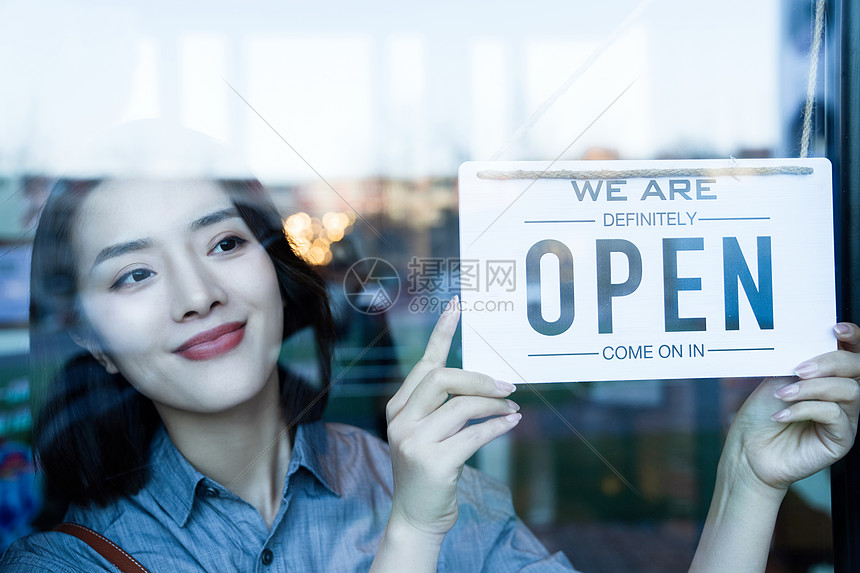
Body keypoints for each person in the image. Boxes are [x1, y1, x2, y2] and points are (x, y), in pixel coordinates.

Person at [1, 122, 858, 572]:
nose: (198, 294)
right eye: (135, 276)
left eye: (223, 243)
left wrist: (748, 480)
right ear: (92, 340)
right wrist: (411, 532)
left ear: (274, 267)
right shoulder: (60, 565)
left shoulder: (424, 482)